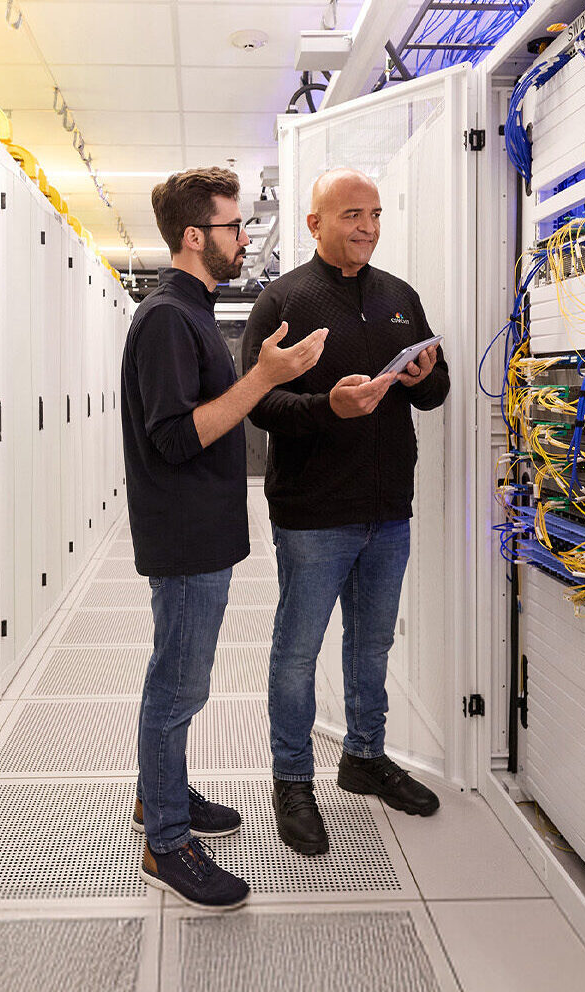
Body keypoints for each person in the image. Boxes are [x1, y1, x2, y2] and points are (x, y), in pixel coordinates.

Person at [121, 167, 328, 907]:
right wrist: (263, 379)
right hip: (184, 539)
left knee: (177, 680)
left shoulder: (192, 310)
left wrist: (271, 375)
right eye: (235, 226)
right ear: (194, 236)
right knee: (178, 689)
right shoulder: (170, 319)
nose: (245, 237)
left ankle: (160, 795)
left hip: (197, 533)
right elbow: (178, 437)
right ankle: (167, 843)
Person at [241, 167, 448, 857]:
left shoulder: (399, 297)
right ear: (315, 224)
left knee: (373, 645)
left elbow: (434, 390)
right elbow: (257, 404)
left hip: (388, 509)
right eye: (353, 214)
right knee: (297, 655)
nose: (368, 226)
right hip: (313, 514)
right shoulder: (284, 300)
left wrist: (426, 377)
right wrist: (328, 407)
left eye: (376, 214)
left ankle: (364, 757)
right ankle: (292, 781)